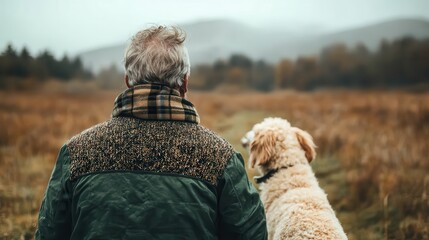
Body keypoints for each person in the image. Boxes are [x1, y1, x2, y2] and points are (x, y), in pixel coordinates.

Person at [35, 25, 267, 240]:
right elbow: (252, 234)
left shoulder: (76, 153)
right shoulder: (220, 157)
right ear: (184, 83)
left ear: (128, 81)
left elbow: (48, 233)